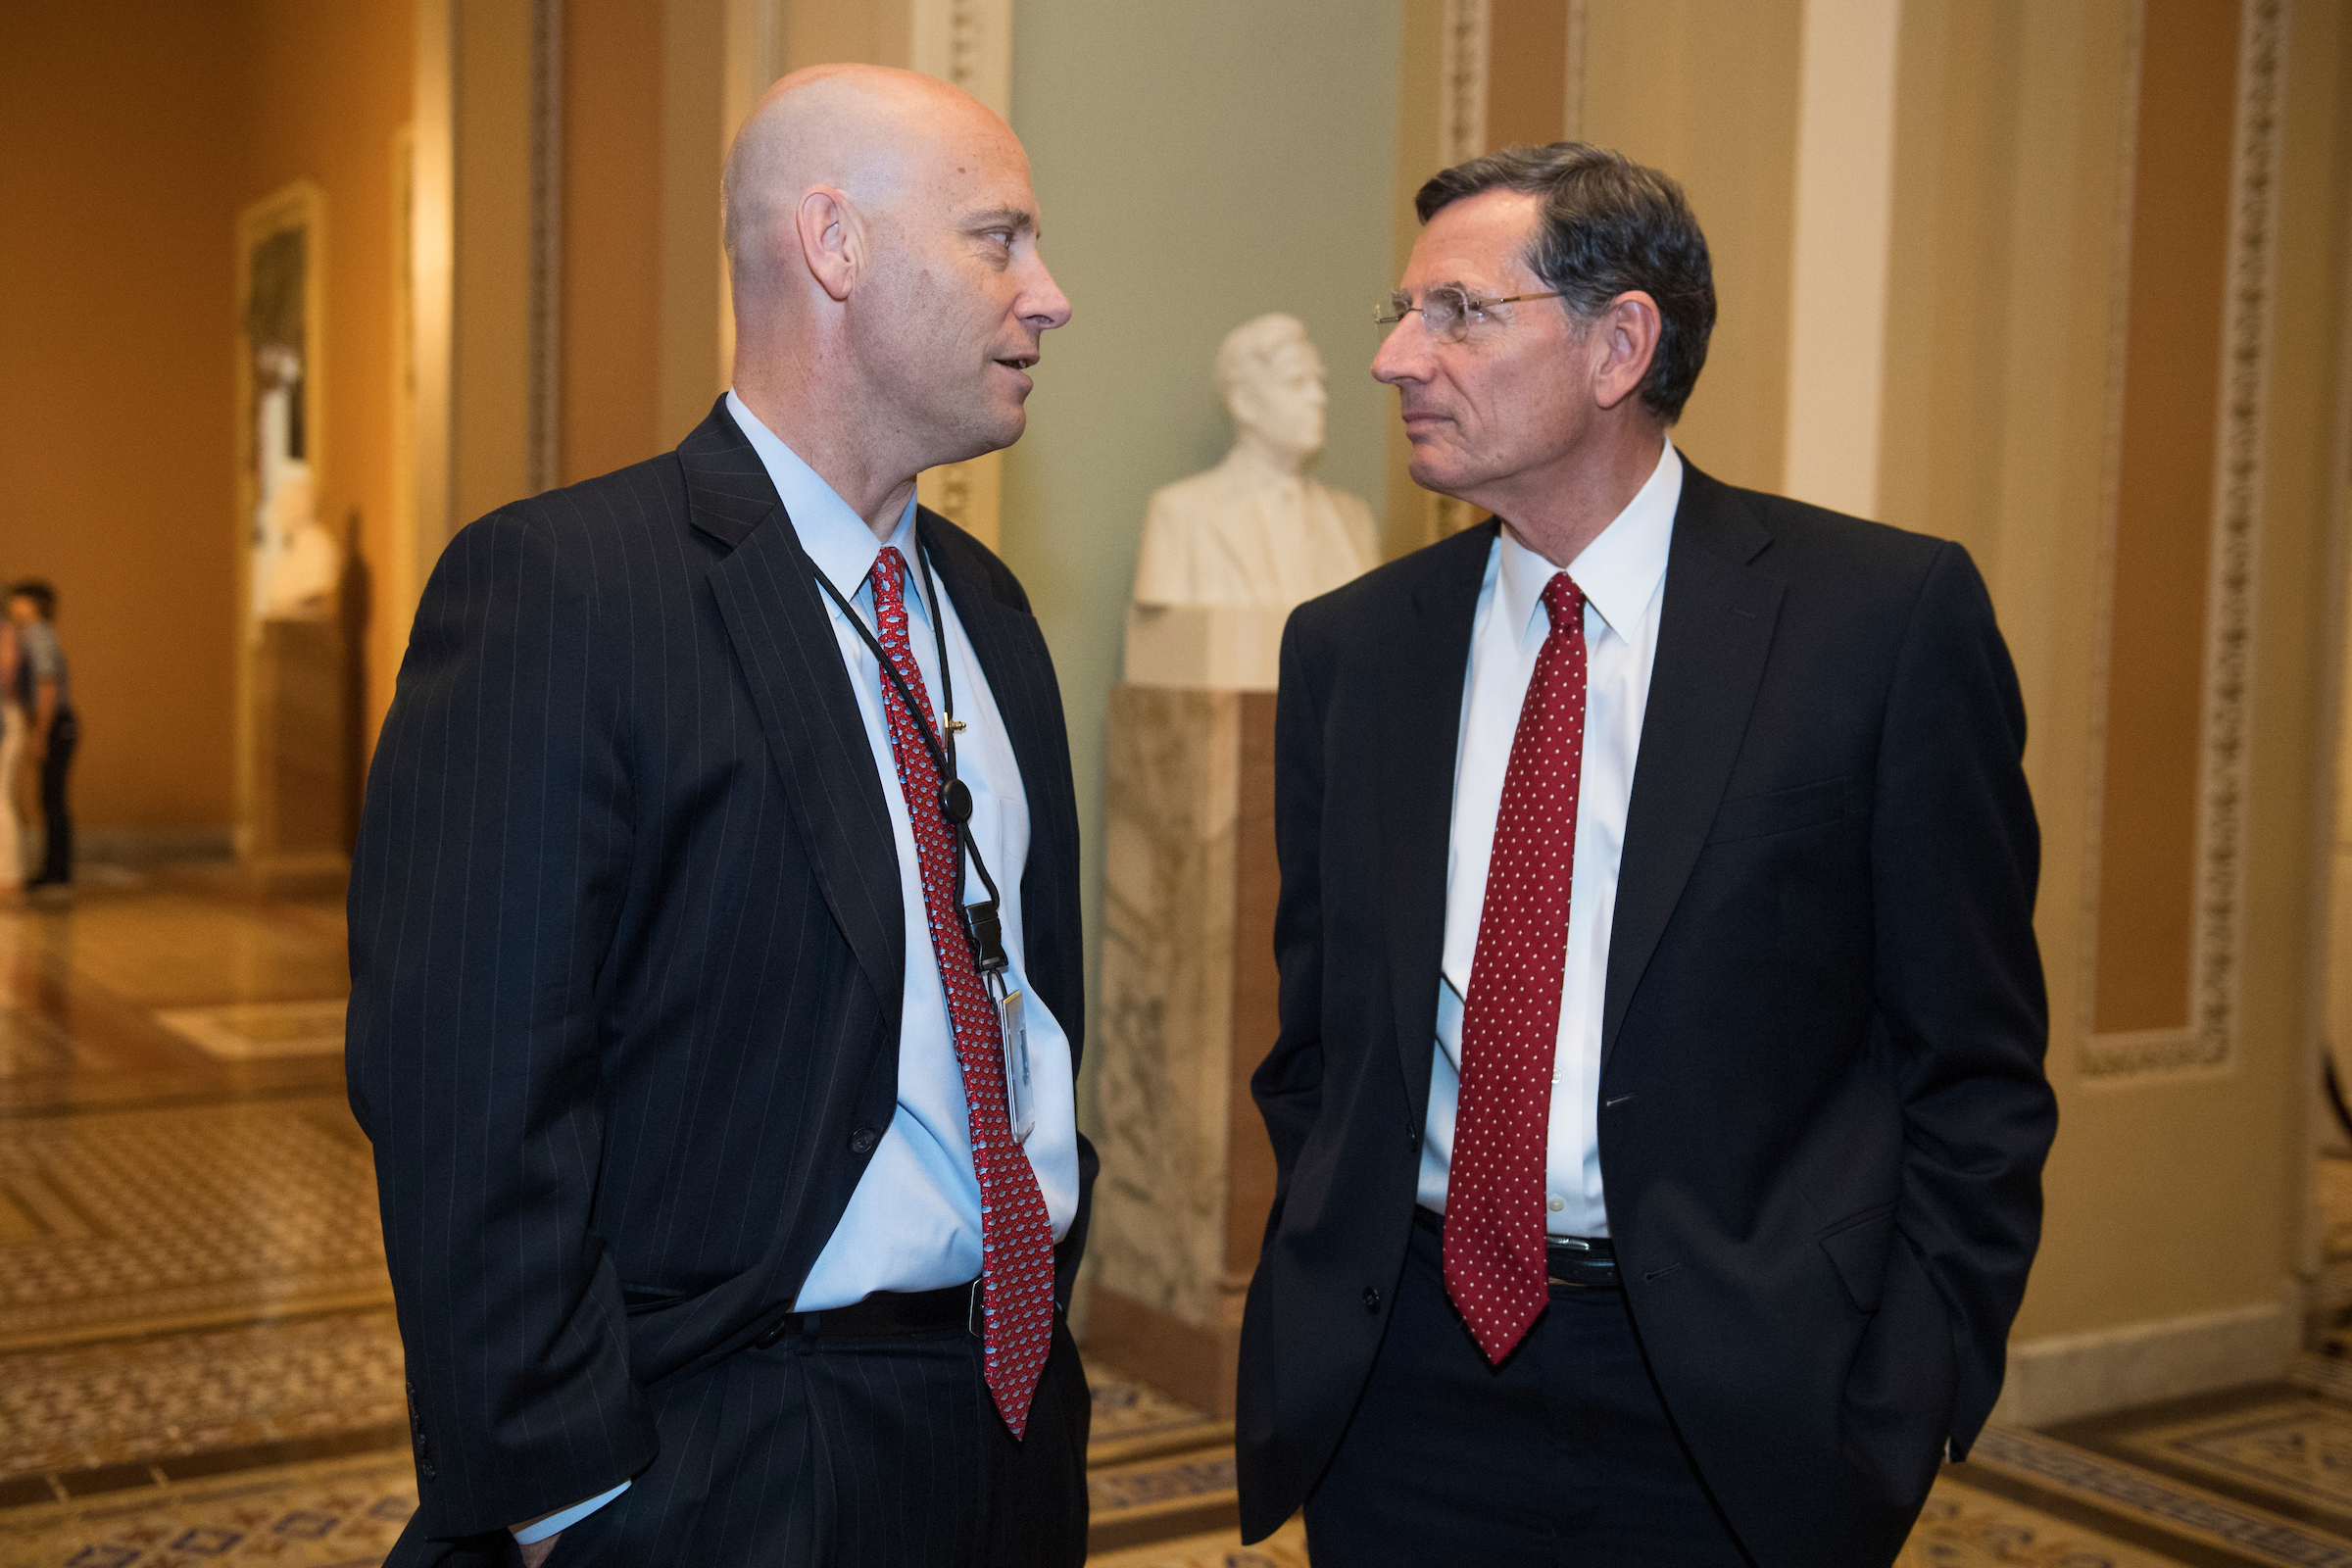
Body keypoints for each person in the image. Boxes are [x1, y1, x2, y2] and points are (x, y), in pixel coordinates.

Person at [1236, 143, 2054, 1567]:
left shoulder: (1878, 621)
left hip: (1744, 1405)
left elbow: (1972, 1070)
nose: (1399, 359)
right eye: (1402, 310)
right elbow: (1321, 1043)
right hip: (1405, 1391)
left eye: (1459, 313)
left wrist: (1900, 1397)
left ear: (1622, 343)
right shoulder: (1352, 650)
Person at [350, 65, 1090, 1567]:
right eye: (1000, 239)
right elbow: (474, 1101)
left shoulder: (990, 612)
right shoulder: (568, 588)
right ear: (835, 245)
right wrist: (570, 1499)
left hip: (1004, 1424)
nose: (1051, 294)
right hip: (723, 1453)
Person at [1131, 313, 1378, 612]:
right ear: (1244, 403)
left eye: (1319, 382)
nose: (1318, 397)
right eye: (1297, 382)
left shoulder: (1354, 520)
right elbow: (1161, 647)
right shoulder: (1178, 514)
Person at [8, 582, 74, 892]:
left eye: (18, 600)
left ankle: (58, 872)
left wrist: (40, 732)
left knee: (53, 797)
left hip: (55, 722)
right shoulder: (30, 635)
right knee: (47, 797)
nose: (12, 606)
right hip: (50, 722)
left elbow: (47, 685)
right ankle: (51, 869)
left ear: (33, 604)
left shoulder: (38, 634)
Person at [0, 608, 24, 894]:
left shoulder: (5, 632)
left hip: (4, 721)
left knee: (1, 797)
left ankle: (8, 877)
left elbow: (7, 674)